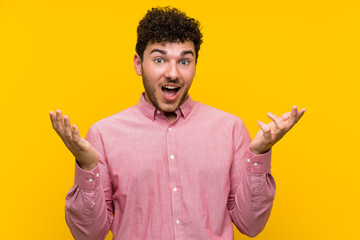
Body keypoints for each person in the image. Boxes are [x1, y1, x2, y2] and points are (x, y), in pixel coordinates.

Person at [49, 7, 305, 240]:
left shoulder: (231, 129)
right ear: (139, 64)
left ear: (195, 65)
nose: (172, 73)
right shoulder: (104, 135)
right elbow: (89, 234)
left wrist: (258, 153)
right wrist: (86, 165)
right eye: (159, 59)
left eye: (184, 61)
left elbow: (250, 225)